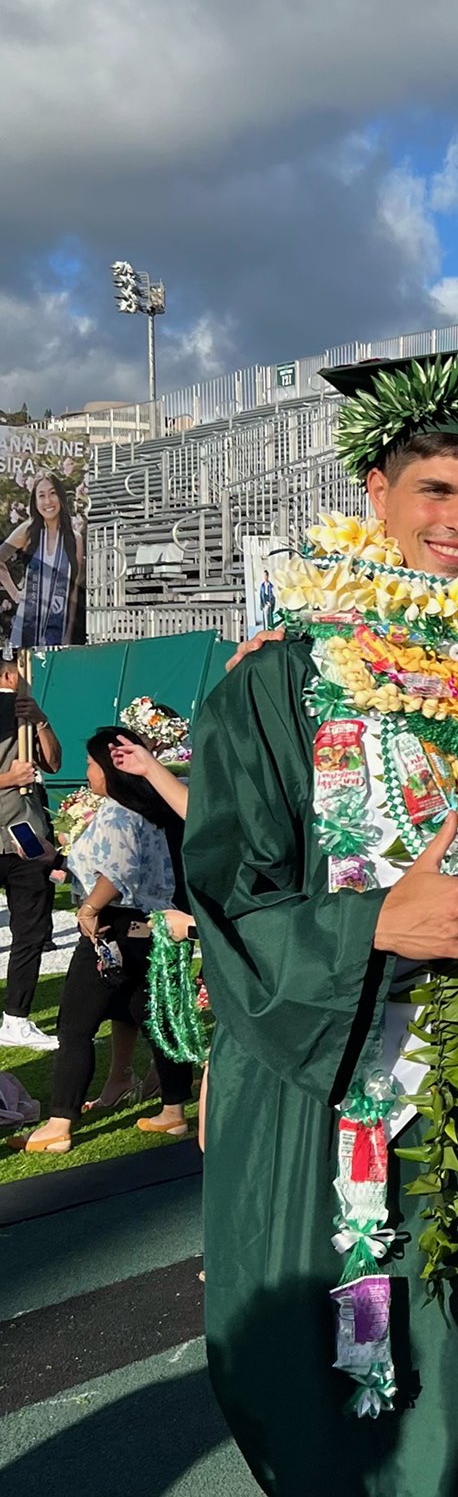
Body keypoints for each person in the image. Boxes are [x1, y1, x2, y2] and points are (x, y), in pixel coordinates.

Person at [185, 349, 458, 1497]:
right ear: (375, 487)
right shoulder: (288, 679)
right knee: (333, 1425)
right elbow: (225, 894)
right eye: (433, 491)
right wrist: (374, 925)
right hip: (335, 1114)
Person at [13, 727, 195, 1154]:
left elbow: (118, 872)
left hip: (113, 927)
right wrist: (54, 857)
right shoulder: (163, 807)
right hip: (155, 928)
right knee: (155, 1020)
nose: (88, 773)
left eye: (92, 764)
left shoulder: (118, 812)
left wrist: (90, 909)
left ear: (112, 769)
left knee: (74, 1027)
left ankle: (60, 1122)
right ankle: (173, 1111)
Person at [0, 651, 62, 1052]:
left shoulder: (27, 712)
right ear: (10, 673)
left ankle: (16, 1019)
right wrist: (9, 777)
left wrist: (40, 721)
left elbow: (54, 763)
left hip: (24, 836)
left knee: (31, 931)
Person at [0, 474, 85, 648]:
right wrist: (16, 595)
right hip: (26, 629)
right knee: (25, 675)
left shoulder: (74, 539)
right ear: (35, 501)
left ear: (61, 497)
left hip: (58, 631)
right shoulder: (28, 531)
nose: (48, 501)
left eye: (52, 493)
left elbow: (73, 591)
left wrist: (68, 634)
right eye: (41, 495)